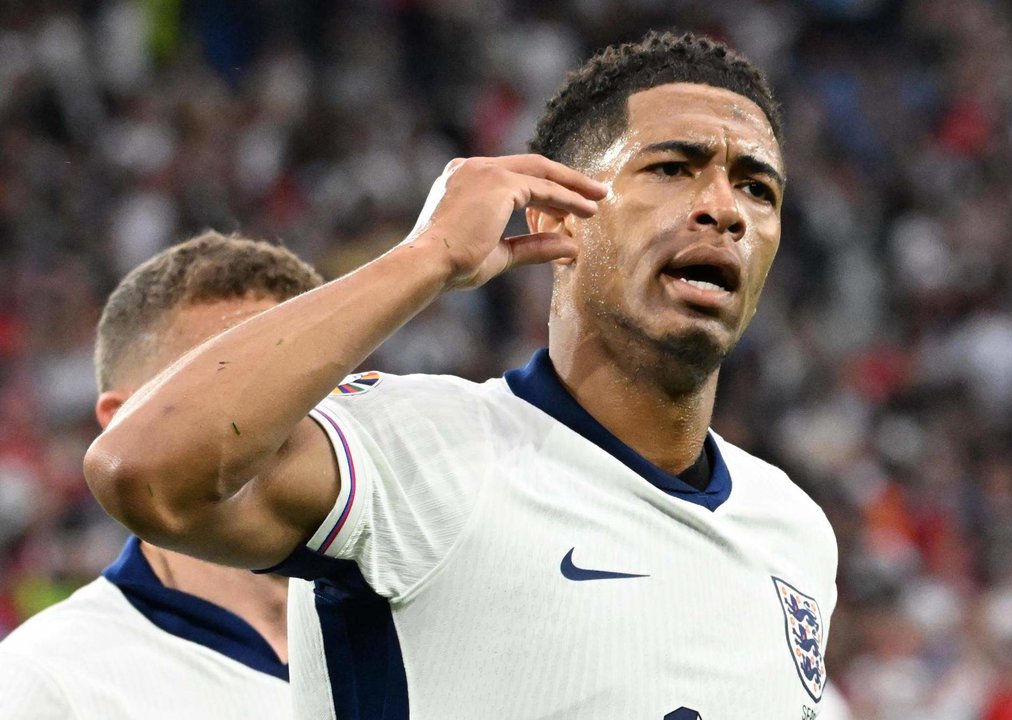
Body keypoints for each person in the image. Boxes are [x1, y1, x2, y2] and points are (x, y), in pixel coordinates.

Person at [85, 31, 840, 719]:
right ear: (555, 215)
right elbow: (143, 472)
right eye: (673, 168)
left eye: (756, 188)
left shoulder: (796, 532)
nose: (723, 209)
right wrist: (429, 257)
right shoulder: (427, 450)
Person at [0, 232, 322, 719]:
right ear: (124, 429)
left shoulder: (432, 628)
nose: (276, 422)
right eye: (232, 383)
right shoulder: (48, 683)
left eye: (309, 384)